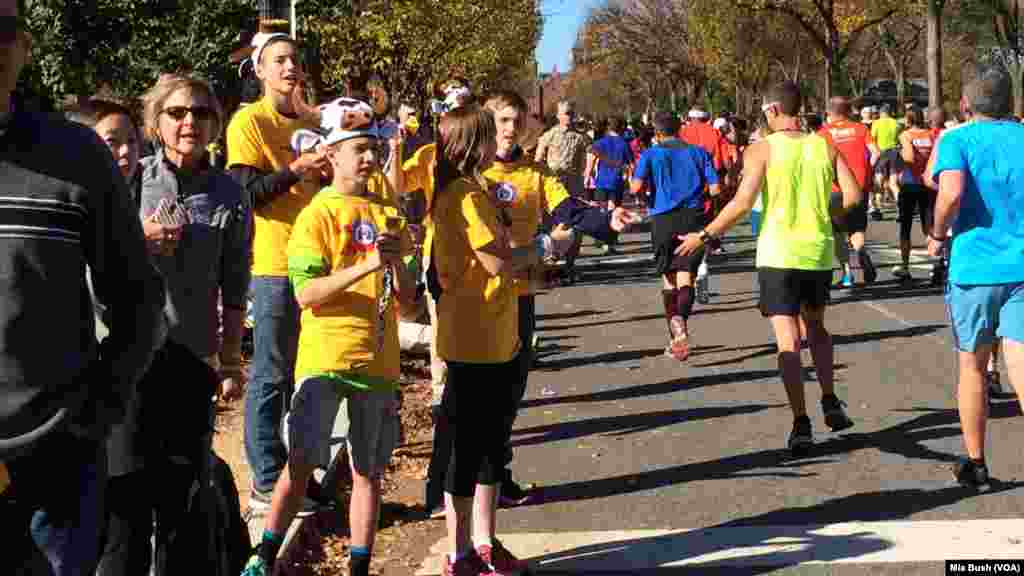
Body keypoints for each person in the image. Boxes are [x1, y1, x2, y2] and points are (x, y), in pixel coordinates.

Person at [0, 0, 166, 571]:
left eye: (2, 30)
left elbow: (138, 298)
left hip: (57, 456)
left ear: (24, 45)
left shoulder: (77, 156)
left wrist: (96, 412)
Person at [243, 98, 413, 576]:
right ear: (332, 154)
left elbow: (410, 297)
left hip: (379, 364)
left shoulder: (387, 212)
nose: (368, 157)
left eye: (373, 148)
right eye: (358, 148)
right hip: (325, 358)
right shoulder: (315, 215)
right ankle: (264, 554)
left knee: (368, 474)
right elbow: (307, 294)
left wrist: (399, 262)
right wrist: (367, 264)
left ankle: (359, 565)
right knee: (300, 465)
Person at [96, 74, 251, 576]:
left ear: (216, 124)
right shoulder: (129, 181)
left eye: (202, 113)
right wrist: (136, 239)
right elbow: (95, 263)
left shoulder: (230, 195)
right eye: (178, 113)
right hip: (129, 361)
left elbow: (234, 287)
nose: (190, 122)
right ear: (156, 122)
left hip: (191, 362)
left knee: (183, 502)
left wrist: (230, 361)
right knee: (125, 504)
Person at [677, 82, 859, 455]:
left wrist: (706, 236)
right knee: (818, 327)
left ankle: (801, 423)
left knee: (787, 341)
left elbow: (744, 202)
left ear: (773, 110)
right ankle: (828, 396)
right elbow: (853, 195)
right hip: (817, 252)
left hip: (779, 253)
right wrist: (828, 214)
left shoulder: (761, 149)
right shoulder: (823, 144)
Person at [481, 90, 638, 510]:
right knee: (481, 395)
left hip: (520, 294)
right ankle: (462, 479)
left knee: (511, 391)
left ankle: (498, 472)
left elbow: (567, 208)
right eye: (501, 121)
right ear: (485, 124)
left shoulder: (534, 174)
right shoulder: (469, 173)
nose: (510, 129)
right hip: (474, 299)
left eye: (516, 121)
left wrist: (607, 219)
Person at [428, 103, 539, 576]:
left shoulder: (477, 190)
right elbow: (495, 261)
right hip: (473, 337)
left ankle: (485, 540)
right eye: (491, 133)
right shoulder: (463, 195)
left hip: (498, 332)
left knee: (494, 445)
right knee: (469, 448)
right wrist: (547, 246)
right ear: (473, 143)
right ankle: (460, 553)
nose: (501, 140)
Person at [227, 32, 331, 514]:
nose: (290, 67)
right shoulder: (249, 121)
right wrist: (297, 168)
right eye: (279, 60)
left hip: (322, 265)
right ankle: (265, 481)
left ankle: (296, 476)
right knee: (269, 375)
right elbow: (243, 193)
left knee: (304, 376)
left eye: (295, 60)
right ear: (261, 71)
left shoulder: (317, 121)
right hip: (273, 266)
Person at [929, 64, 1024, 487]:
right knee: (1022, 363)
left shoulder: (957, 139)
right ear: (1011, 103)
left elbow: (949, 191)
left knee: (973, 366)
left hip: (975, 267)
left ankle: (977, 463)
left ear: (966, 104)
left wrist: (936, 233)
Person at [631, 112, 720, 361]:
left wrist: (643, 193)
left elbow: (635, 188)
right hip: (691, 219)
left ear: (657, 133)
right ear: (679, 129)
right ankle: (681, 321)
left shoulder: (650, 154)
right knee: (686, 278)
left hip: (662, 219)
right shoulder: (699, 153)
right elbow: (716, 189)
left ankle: (675, 334)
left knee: (668, 280)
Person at [820, 96, 880, 288]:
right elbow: (876, 152)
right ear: (847, 111)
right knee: (857, 227)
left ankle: (847, 274)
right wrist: (868, 169)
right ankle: (861, 252)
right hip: (859, 186)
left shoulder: (823, 133)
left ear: (829, 112)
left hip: (836, 188)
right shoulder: (861, 129)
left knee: (837, 231)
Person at [893, 105, 939, 283]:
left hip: (910, 184)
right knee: (928, 225)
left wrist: (901, 155)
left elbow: (910, 157)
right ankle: (936, 263)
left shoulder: (906, 135)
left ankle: (905, 267)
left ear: (909, 119)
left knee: (905, 227)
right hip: (927, 184)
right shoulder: (930, 135)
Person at [589, 116, 632, 253]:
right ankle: (609, 242)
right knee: (613, 212)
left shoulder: (600, 142)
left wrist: (588, 174)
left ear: (608, 127)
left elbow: (592, 158)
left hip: (601, 181)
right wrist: (630, 178)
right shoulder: (624, 144)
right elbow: (631, 164)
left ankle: (599, 236)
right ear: (621, 128)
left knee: (601, 211)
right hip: (616, 181)